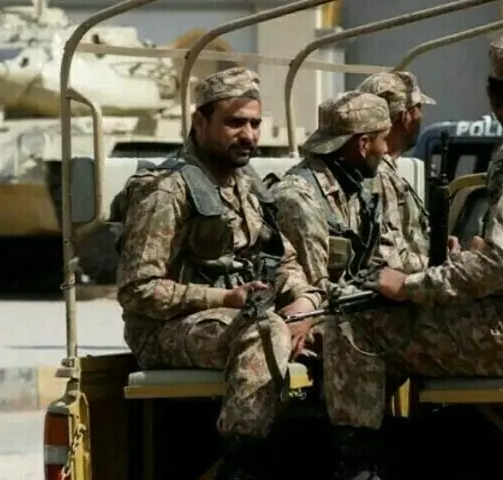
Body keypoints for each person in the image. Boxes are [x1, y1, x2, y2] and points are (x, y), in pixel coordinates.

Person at [317, 34, 503, 480]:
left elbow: (502, 263)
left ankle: (360, 469)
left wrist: (409, 286)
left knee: (354, 326)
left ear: (492, 95)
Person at [114, 66, 324, 480]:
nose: (247, 134)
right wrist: (223, 299)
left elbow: (282, 260)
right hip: (166, 329)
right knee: (264, 334)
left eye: (254, 123)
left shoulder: (247, 185)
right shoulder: (167, 189)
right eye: (234, 122)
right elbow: (137, 290)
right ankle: (240, 465)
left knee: (352, 331)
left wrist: (304, 301)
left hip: (243, 313)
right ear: (200, 121)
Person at [270, 91, 392, 356]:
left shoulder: (352, 188)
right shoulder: (298, 198)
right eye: (384, 140)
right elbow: (315, 290)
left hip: (339, 310)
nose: (386, 150)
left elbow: (369, 262)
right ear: (363, 144)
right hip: (308, 318)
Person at [356, 71, 433, 272]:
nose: (421, 116)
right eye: (418, 108)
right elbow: (390, 259)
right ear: (405, 117)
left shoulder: (381, 171)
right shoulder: (379, 176)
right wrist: (445, 262)